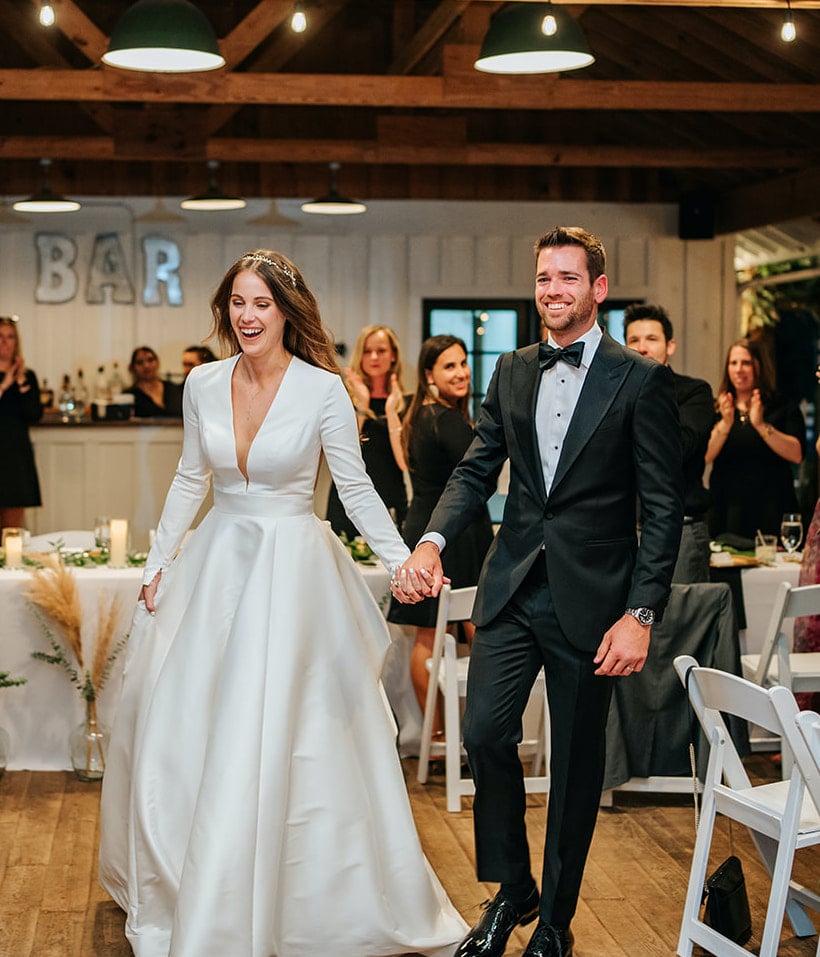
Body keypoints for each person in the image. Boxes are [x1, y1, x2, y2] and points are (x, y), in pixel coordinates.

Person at [98, 251, 466, 957]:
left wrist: (402, 561)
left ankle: (304, 895)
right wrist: (158, 560)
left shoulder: (323, 388)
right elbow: (186, 479)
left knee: (293, 731)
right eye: (237, 302)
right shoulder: (203, 382)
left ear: (287, 310)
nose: (247, 315)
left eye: (260, 303)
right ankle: (199, 882)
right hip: (217, 563)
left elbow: (355, 490)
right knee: (190, 719)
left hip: (293, 573)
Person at [393, 226, 684, 957]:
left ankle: (554, 920)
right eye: (544, 278)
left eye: (567, 278)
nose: (552, 290)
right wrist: (430, 538)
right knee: (485, 732)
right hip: (513, 583)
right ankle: (513, 886)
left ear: (598, 289)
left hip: (595, 601)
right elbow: (474, 469)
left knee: (576, 766)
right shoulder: (513, 369)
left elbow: (662, 508)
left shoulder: (639, 380)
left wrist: (640, 613)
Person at [387, 334, 494, 737]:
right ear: (429, 375)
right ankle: (470, 739)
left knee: (429, 638)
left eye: (464, 363)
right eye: (450, 366)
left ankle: (439, 738)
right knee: (478, 635)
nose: (462, 372)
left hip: (422, 527)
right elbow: (478, 475)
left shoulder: (421, 415)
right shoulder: (447, 418)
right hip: (456, 535)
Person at [623, 303, 713, 583]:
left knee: (680, 620)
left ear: (669, 345)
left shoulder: (694, 392)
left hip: (681, 529)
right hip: (622, 530)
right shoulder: (614, 395)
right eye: (633, 340)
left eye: (651, 339)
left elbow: (680, 448)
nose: (642, 348)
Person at [706, 337, 804, 542]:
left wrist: (760, 425)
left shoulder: (782, 406)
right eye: (733, 363)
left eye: (746, 363)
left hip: (772, 504)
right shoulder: (717, 408)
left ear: (759, 366)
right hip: (727, 506)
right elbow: (704, 456)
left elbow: (796, 454)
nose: (739, 369)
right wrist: (725, 423)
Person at [325, 324, 408, 537]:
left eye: (381, 351)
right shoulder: (343, 397)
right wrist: (362, 406)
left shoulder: (405, 403)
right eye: (367, 351)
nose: (374, 357)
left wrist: (391, 412)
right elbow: (343, 449)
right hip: (349, 497)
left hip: (390, 496)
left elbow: (406, 460)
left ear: (393, 356)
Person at [0, 315, 42, 531]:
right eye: (0, 336)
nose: (5, 342)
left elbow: (34, 414)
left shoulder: (28, 376)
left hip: (15, 455)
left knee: (11, 532)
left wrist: (21, 382)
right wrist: (5, 383)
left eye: (10, 337)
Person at [125, 346, 184, 417]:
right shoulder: (129, 396)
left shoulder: (174, 389)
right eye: (139, 362)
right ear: (133, 367)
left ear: (157, 362)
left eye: (150, 360)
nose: (146, 366)